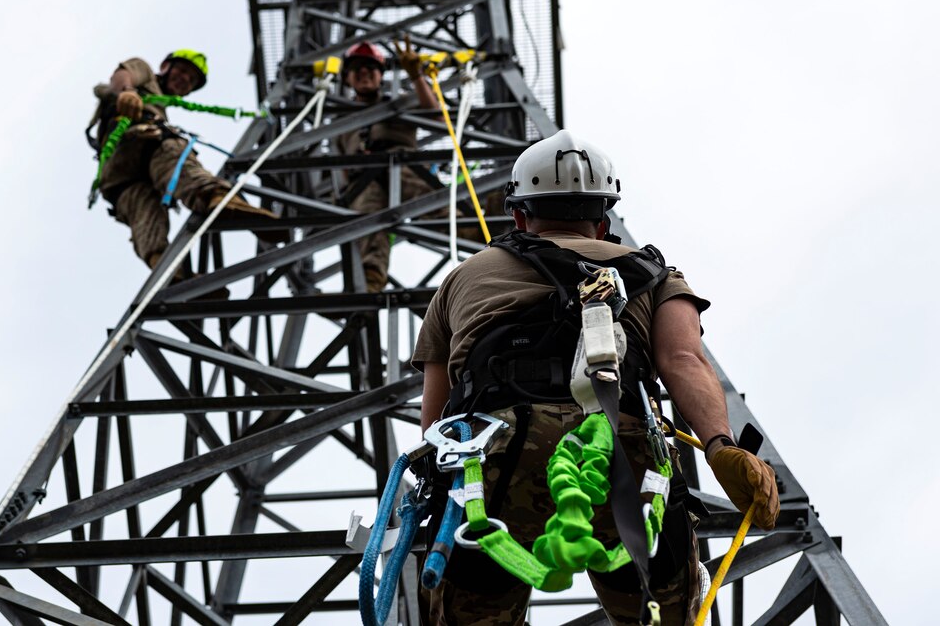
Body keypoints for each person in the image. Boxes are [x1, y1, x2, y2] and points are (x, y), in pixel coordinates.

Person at [412, 131, 780, 625]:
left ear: (520, 216)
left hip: (493, 460)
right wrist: (720, 447)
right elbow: (684, 361)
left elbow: (435, 420)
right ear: (603, 220)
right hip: (624, 456)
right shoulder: (654, 275)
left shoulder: (462, 278)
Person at [88, 49, 287, 274]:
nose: (185, 79)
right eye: (182, 71)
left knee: (144, 212)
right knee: (172, 152)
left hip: (118, 175)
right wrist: (127, 92)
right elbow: (122, 75)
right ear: (165, 66)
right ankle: (216, 197)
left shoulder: (158, 102)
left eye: (191, 80)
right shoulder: (144, 73)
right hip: (139, 140)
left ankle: (168, 270)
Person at [332, 37, 442, 292]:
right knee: (367, 224)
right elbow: (342, 164)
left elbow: (436, 118)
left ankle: (476, 231)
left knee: (435, 206)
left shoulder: (398, 104)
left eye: (370, 68)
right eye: (357, 69)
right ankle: (369, 284)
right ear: (347, 78)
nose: (364, 73)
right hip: (363, 180)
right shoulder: (341, 122)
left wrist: (416, 76)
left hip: (402, 164)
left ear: (381, 75)